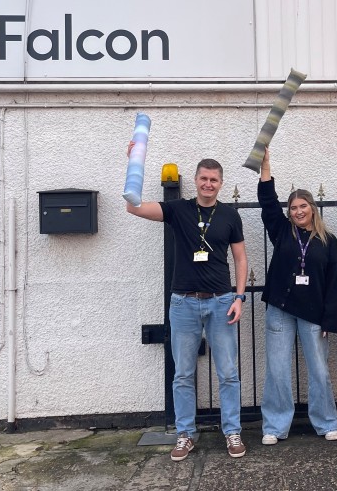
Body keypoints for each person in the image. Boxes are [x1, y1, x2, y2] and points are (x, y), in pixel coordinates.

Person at [124, 154, 249, 462]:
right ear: (196, 180)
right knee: (183, 374)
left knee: (229, 373)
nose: (208, 184)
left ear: (221, 184)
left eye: (214, 180)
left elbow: (241, 259)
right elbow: (132, 206)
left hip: (221, 301)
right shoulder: (179, 209)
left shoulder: (230, 215)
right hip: (183, 303)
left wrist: (240, 297)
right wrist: (133, 162)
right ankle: (184, 435)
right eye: (204, 178)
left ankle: (232, 431)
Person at [256, 149, 337, 445]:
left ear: (313, 208)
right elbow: (268, 204)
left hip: (314, 313)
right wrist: (266, 166)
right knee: (277, 369)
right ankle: (275, 427)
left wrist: (330, 318)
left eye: (302, 206)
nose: (297, 211)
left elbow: (334, 283)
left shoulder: (329, 241)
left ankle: (326, 422)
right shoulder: (282, 232)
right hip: (280, 309)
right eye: (293, 208)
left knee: (319, 370)